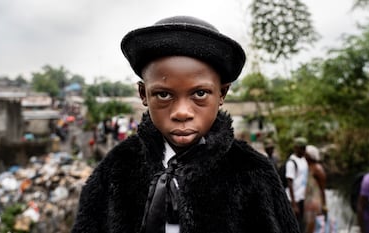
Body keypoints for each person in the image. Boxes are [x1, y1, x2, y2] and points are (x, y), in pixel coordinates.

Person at [71, 16, 299, 233]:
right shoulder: (115, 169)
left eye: (200, 93)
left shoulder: (253, 173)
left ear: (222, 93)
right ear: (143, 94)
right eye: (163, 95)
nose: (181, 112)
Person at [286, 137, 309, 233]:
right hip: (293, 200)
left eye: (304, 148)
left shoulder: (303, 160)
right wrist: (294, 204)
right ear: (296, 148)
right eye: (301, 148)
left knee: (302, 225)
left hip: (302, 198)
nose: (304, 150)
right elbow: (290, 183)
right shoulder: (291, 162)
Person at [304, 145, 327, 233]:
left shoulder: (318, 169)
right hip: (308, 200)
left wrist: (324, 206)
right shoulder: (307, 167)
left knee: (312, 226)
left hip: (315, 201)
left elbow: (322, 188)